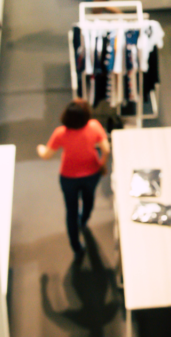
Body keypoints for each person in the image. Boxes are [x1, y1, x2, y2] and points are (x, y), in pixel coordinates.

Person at [37, 99, 111, 257]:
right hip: (92, 174)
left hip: (68, 177)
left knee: (71, 211)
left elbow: (46, 155)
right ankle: (83, 221)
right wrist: (101, 162)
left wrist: (40, 148)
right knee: (89, 200)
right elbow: (106, 148)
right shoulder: (94, 126)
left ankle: (76, 247)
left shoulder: (61, 133)